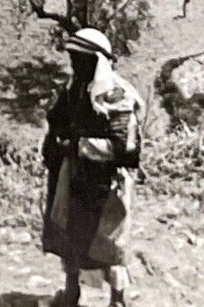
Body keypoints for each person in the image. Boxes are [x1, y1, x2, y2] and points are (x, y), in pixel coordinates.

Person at [41, 27, 145, 307]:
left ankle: (118, 300)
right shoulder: (72, 91)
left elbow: (126, 150)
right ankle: (72, 293)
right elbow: (59, 123)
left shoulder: (117, 97)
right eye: (73, 59)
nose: (76, 65)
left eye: (82, 60)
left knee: (109, 242)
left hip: (107, 182)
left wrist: (77, 146)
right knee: (70, 234)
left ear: (96, 61)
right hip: (75, 177)